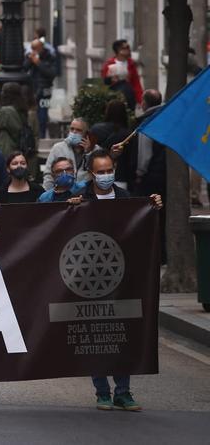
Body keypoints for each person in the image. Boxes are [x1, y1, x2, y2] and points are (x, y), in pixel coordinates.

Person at [71, 149, 162, 411]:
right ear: (91, 174)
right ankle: (102, 392)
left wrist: (152, 206)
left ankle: (123, 392)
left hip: (122, 279)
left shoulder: (126, 198)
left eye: (109, 170)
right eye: (100, 172)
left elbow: (140, 230)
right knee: (95, 336)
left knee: (122, 335)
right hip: (89, 281)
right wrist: (71, 210)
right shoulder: (81, 199)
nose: (105, 175)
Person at [43, 119, 91, 190]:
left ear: (86, 134)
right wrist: (48, 193)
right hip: (62, 193)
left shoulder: (95, 150)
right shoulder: (58, 148)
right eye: (72, 129)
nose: (74, 132)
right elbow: (48, 174)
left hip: (85, 193)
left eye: (78, 130)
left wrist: (88, 153)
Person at [25, 38, 58, 138]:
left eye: (35, 48)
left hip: (45, 90)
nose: (34, 50)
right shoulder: (31, 56)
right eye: (32, 48)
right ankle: (34, 135)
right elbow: (24, 68)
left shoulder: (50, 57)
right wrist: (30, 60)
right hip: (33, 89)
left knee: (43, 113)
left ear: (41, 47)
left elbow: (51, 73)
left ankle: (42, 135)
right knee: (32, 115)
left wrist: (38, 63)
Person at [100, 40, 143, 109]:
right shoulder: (109, 64)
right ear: (119, 50)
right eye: (126, 48)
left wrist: (140, 100)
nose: (129, 50)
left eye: (128, 47)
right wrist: (111, 80)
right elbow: (104, 83)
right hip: (115, 99)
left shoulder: (131, 64)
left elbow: (136, 83)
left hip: (130, 97)